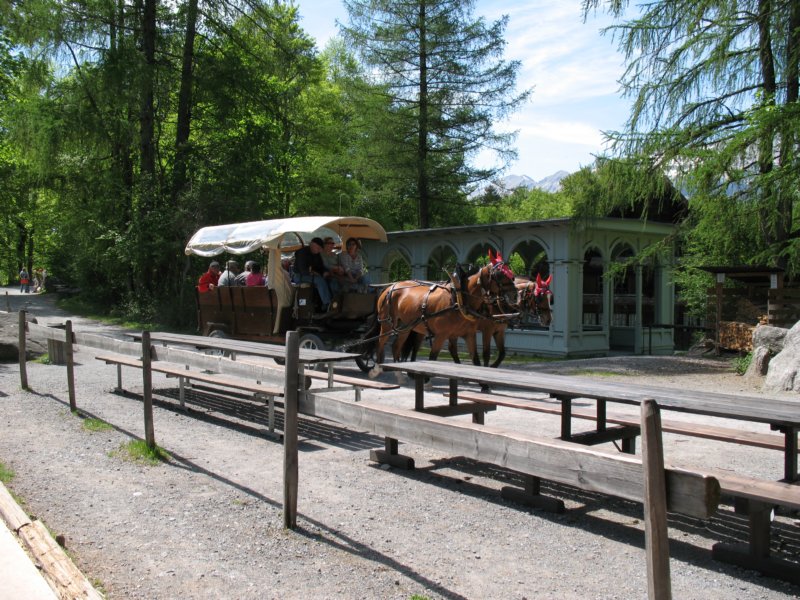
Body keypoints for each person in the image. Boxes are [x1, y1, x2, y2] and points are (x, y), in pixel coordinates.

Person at [292, 237, 332, 311]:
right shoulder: (302, 253)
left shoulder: (316, 254)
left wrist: (325, 272)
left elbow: (320, 266)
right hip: (300, 276)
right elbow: (303, 270)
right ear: (312, 244)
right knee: (320, 281)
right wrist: (313, 273)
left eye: (320, 249)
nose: (319, 250)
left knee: (329, 280)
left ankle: (323, 305)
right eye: (318, 248)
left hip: (310, 275)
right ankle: (328, 304)